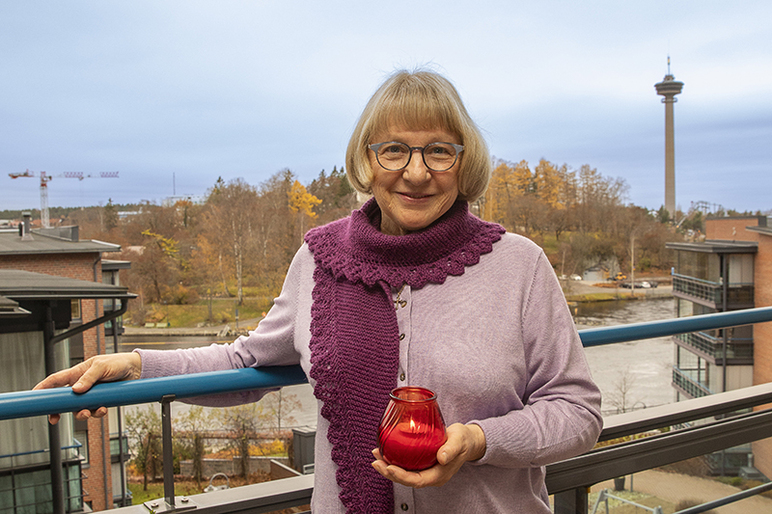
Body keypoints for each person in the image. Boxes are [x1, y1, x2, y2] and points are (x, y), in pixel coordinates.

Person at [36, 69, 602, 513]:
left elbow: (576, 411)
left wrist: (478, 440)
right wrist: (135, 364)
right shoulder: (322, 261)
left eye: (438, 150)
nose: (416, 172)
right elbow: (244, 361)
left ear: (463, 161)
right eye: (394, 150)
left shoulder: (518, 264)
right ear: (367, 160)